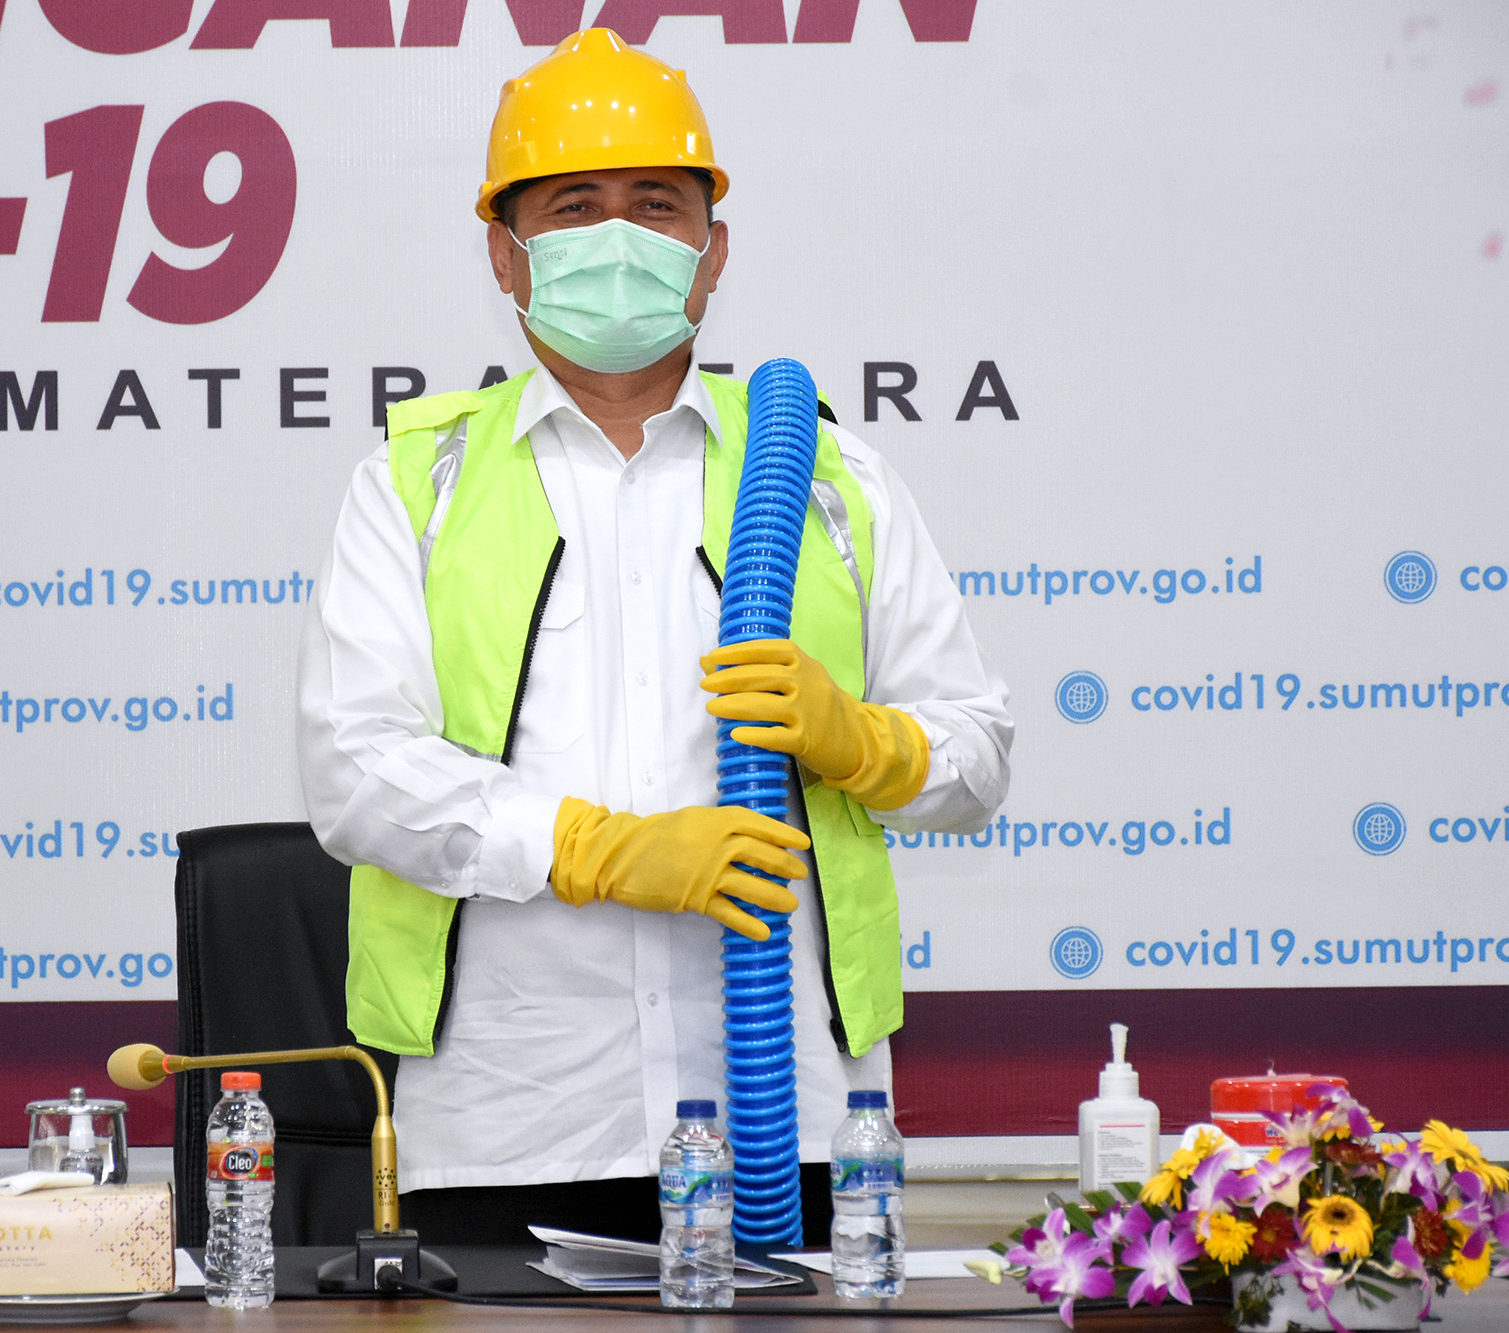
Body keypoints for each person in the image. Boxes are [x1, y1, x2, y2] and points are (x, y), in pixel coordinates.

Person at [296, 28, 1012, 1244]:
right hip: (510, 1121)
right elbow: (354, 772)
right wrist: (598, 848)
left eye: (656, 204)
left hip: (796, 1119)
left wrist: (865, 742)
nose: (618, 236)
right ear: (505, 255)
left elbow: (976, 757)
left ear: (711, 247)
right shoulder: (415, 485)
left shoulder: (826, 475)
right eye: (573, 206)